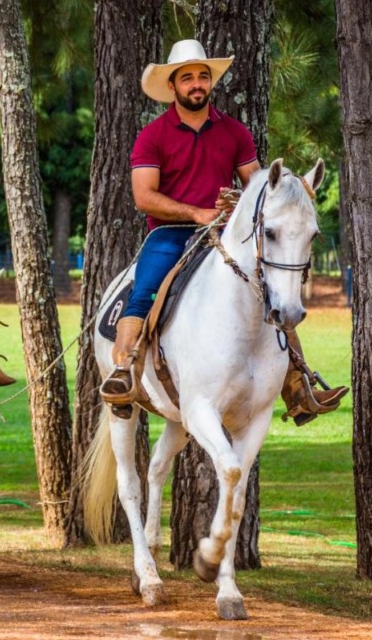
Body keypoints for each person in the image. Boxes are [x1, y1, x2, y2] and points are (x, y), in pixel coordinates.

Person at [98, 39, 347, 423]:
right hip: (170, 234)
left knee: (268, 288)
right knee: (145, 286)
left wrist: (242, 201)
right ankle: (125, 369)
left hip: (225, 234)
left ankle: (298, 382)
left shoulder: (234, 132)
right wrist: (195, 213)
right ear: (173, 87)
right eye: (188, 78)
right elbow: (144, 196)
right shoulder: (153, 136)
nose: (196, 84)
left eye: (202, 77)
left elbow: (259, 186)